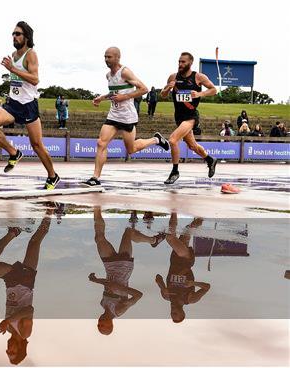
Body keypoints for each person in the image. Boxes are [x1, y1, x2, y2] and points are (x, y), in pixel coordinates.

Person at [0, 21, 60, 190]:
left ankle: (53, 176)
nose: (14, 37)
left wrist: (12, 69)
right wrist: (12, 68)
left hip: (28, 105)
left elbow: (35, 79)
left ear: (26, 37)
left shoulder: (31, 54)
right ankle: (14, 152)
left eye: (18, 34)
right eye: (13, 34)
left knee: (37, 145)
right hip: (13, 103)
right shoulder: (13, 54)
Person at [81, 47, 169, 187]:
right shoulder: (108, 76)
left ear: (117, 58)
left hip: (127, 116)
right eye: (105, 57)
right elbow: (113, 93)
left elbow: (144, 89)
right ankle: (95, 177)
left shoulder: (125, 72)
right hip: (113, 115)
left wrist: (125, 97)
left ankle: (155, 140)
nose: (106, 60)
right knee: (101, 143)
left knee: (131, 149)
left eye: (109, 57)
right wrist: (101, 98)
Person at [0, 207, 53, 365]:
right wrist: (8, 321)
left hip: (11, 282)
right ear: (20, 348)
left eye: (7, 352)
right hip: (26, 281)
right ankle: (50, 209)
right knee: (35, 241)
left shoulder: (9, 331)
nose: (8, 349)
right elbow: (29, 310)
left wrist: (7, 323)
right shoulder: (25, 333)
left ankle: (13, 232)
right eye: (12, 352)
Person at [88, 206, 165, 335]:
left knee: (99, 238)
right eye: (103, 325)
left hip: (110, 267)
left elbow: (110, 284)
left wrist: (109, 284)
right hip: (123, 268)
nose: (99, 322)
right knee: (128, 233)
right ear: (110, 324)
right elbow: (138, 295)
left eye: (98, 325)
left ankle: (96, 207)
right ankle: (153, 240)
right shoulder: (119, 310)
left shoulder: (103, 304)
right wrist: (121, 289)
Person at [160, 52, 218, 185]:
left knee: (173, 140)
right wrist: (167, 88)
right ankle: (210, 159)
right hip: (179, 117)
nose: (180, 64)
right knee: (192, 146)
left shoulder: (198, 77)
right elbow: (163, 95)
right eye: (179, 61)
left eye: (183, 62)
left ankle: (175, 171)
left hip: (191, 117)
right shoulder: (173, 77)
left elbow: (213, 90)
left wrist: (199, 93)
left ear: (190, 63)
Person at [155, 213, 210, 323]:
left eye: (171, 314)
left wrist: (162, 287)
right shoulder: (190, 299)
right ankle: (203, 214)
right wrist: (193, 284)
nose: (172, 311)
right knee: (170, 237)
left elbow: (158, 277)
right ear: (182, 312)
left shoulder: (167, 296)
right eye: (175, 313)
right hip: (185, 259)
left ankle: (174, 209)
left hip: (174, 258)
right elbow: (207, 287)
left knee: (185, 230)